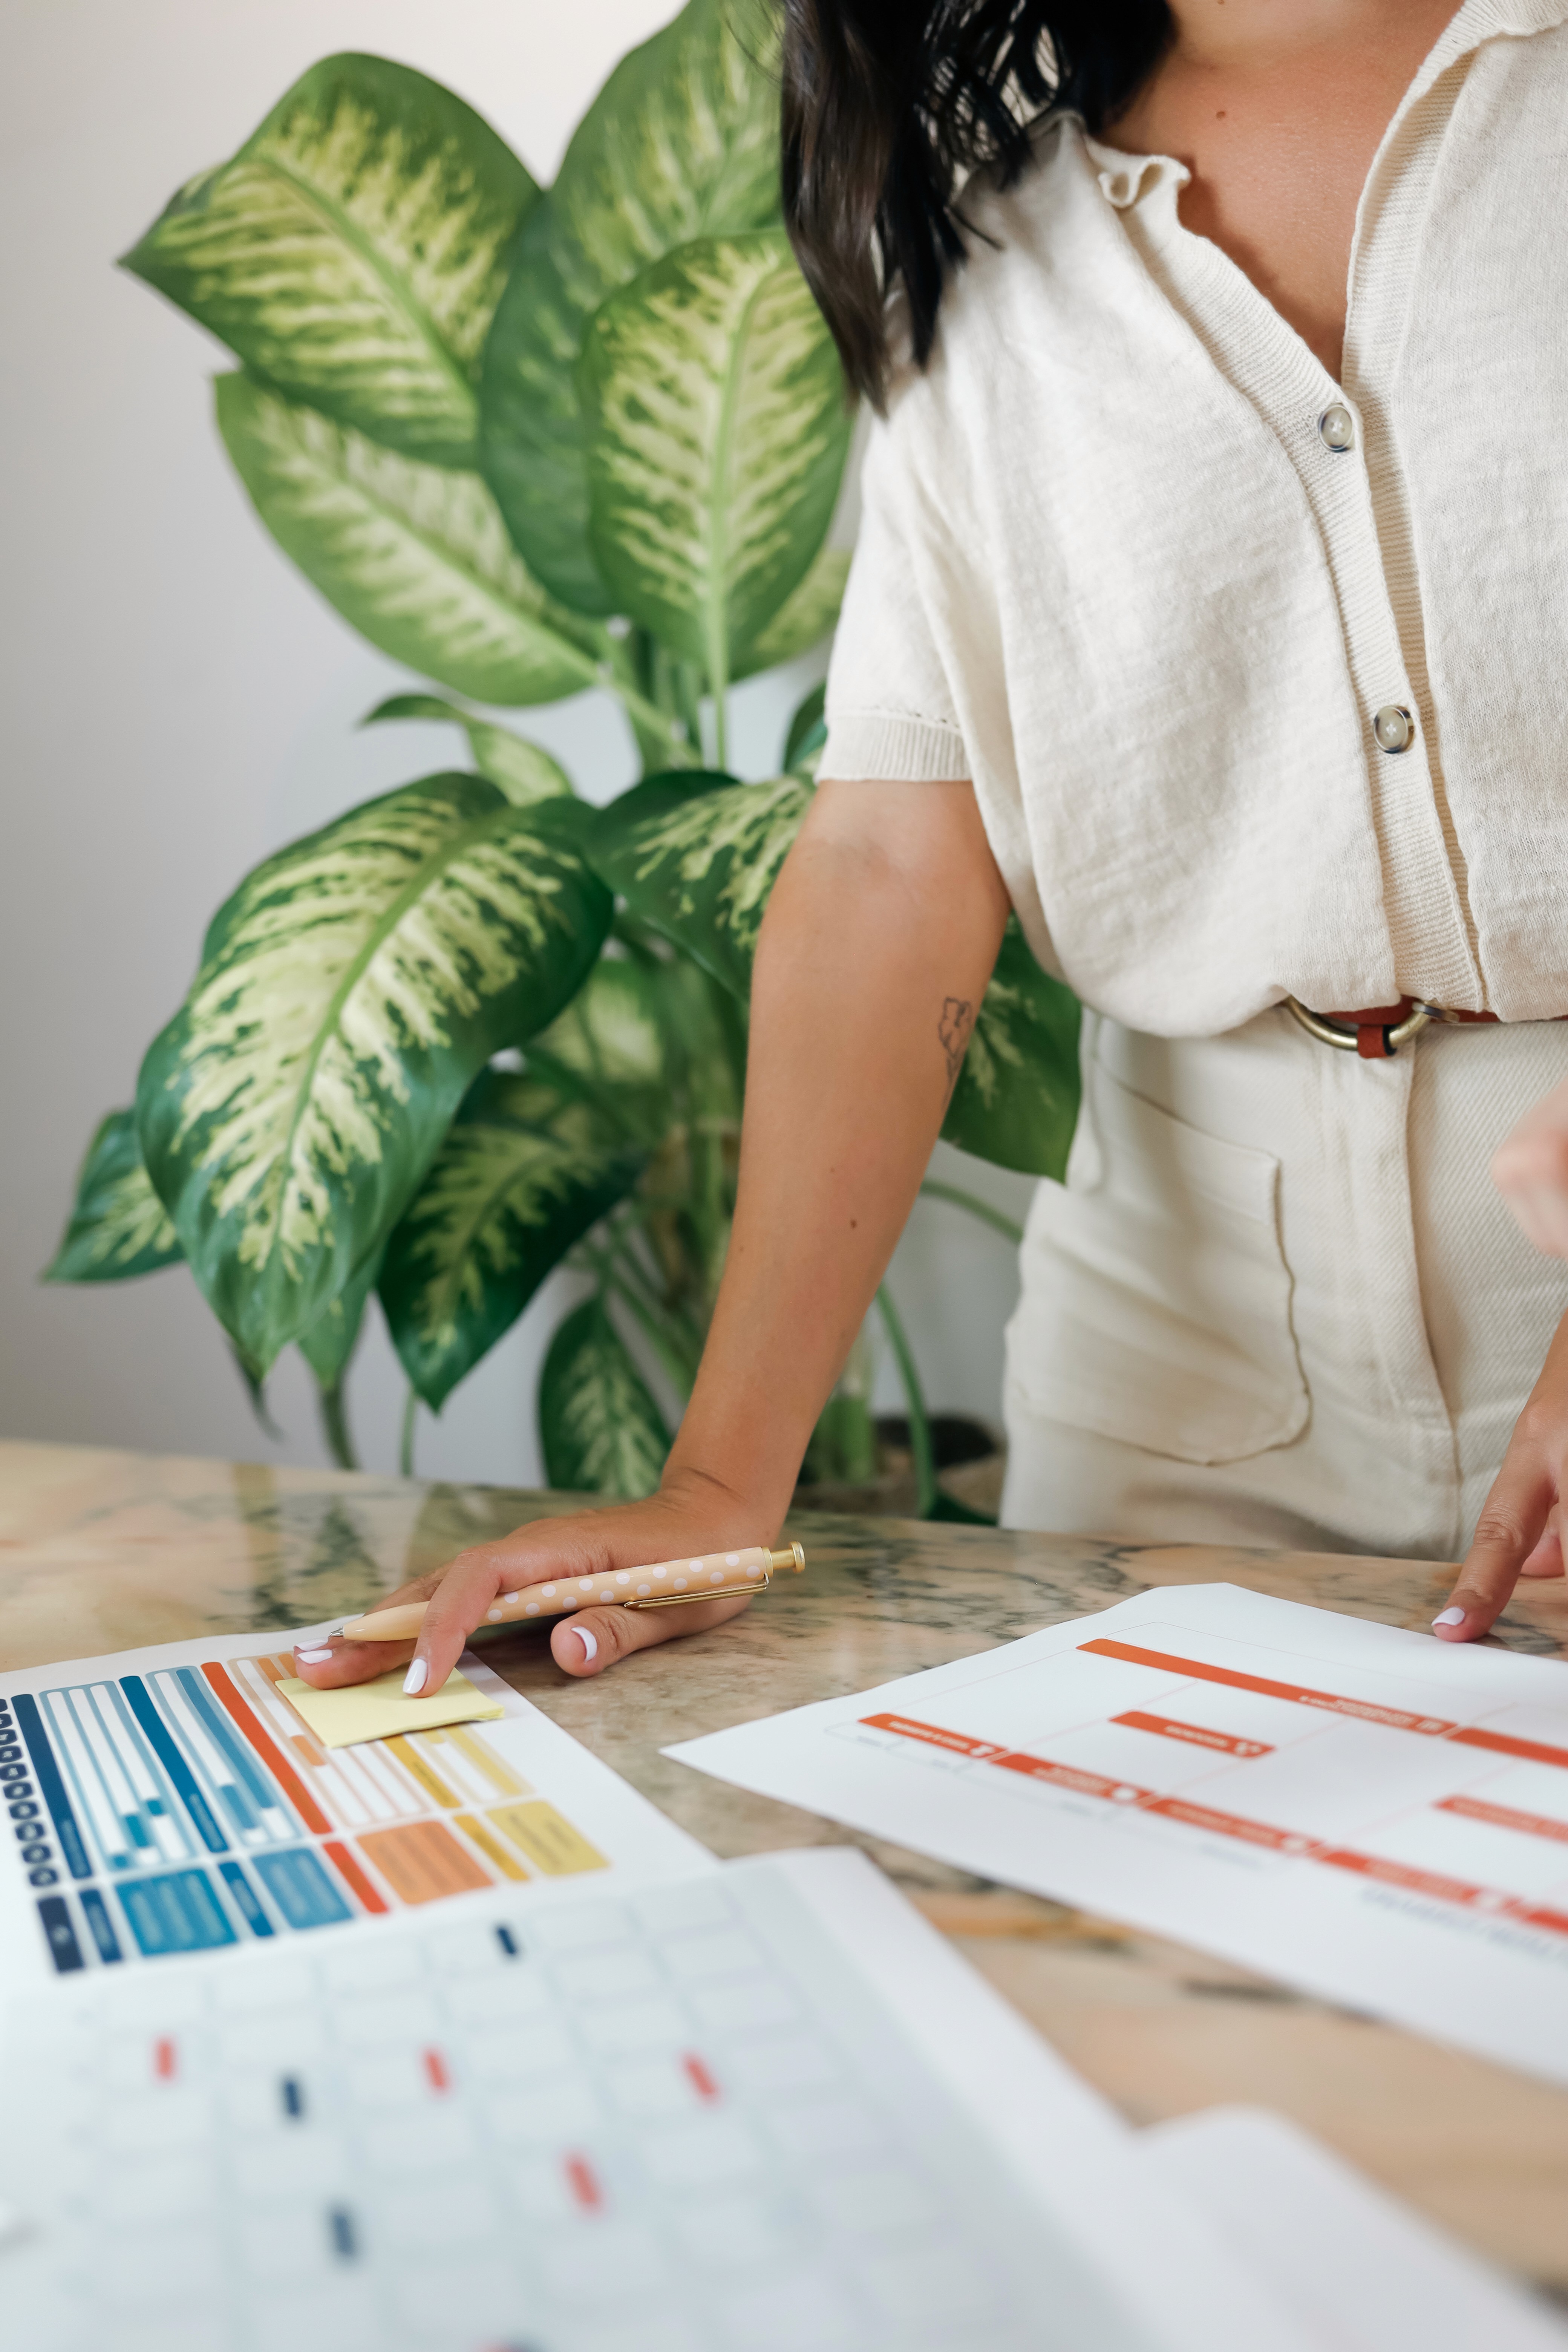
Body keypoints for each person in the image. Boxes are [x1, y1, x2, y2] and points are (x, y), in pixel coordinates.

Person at [296, 0, 1568, 1703]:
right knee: (1086, 1945)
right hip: (1169, 1341)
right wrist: (717, 1484)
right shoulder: (964, 204)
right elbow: (895, 861)